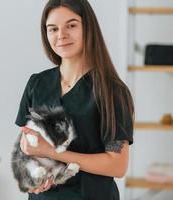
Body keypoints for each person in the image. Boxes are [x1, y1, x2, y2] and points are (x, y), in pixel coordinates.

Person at [15, 0, 134, 200]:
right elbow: (27, 145)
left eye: (71, 25)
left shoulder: (112, 91)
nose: (61, 35)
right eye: (53, 29)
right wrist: (28, 176)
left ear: (88, 28)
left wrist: (53, 152)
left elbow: (117, 164)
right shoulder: (37, 84)